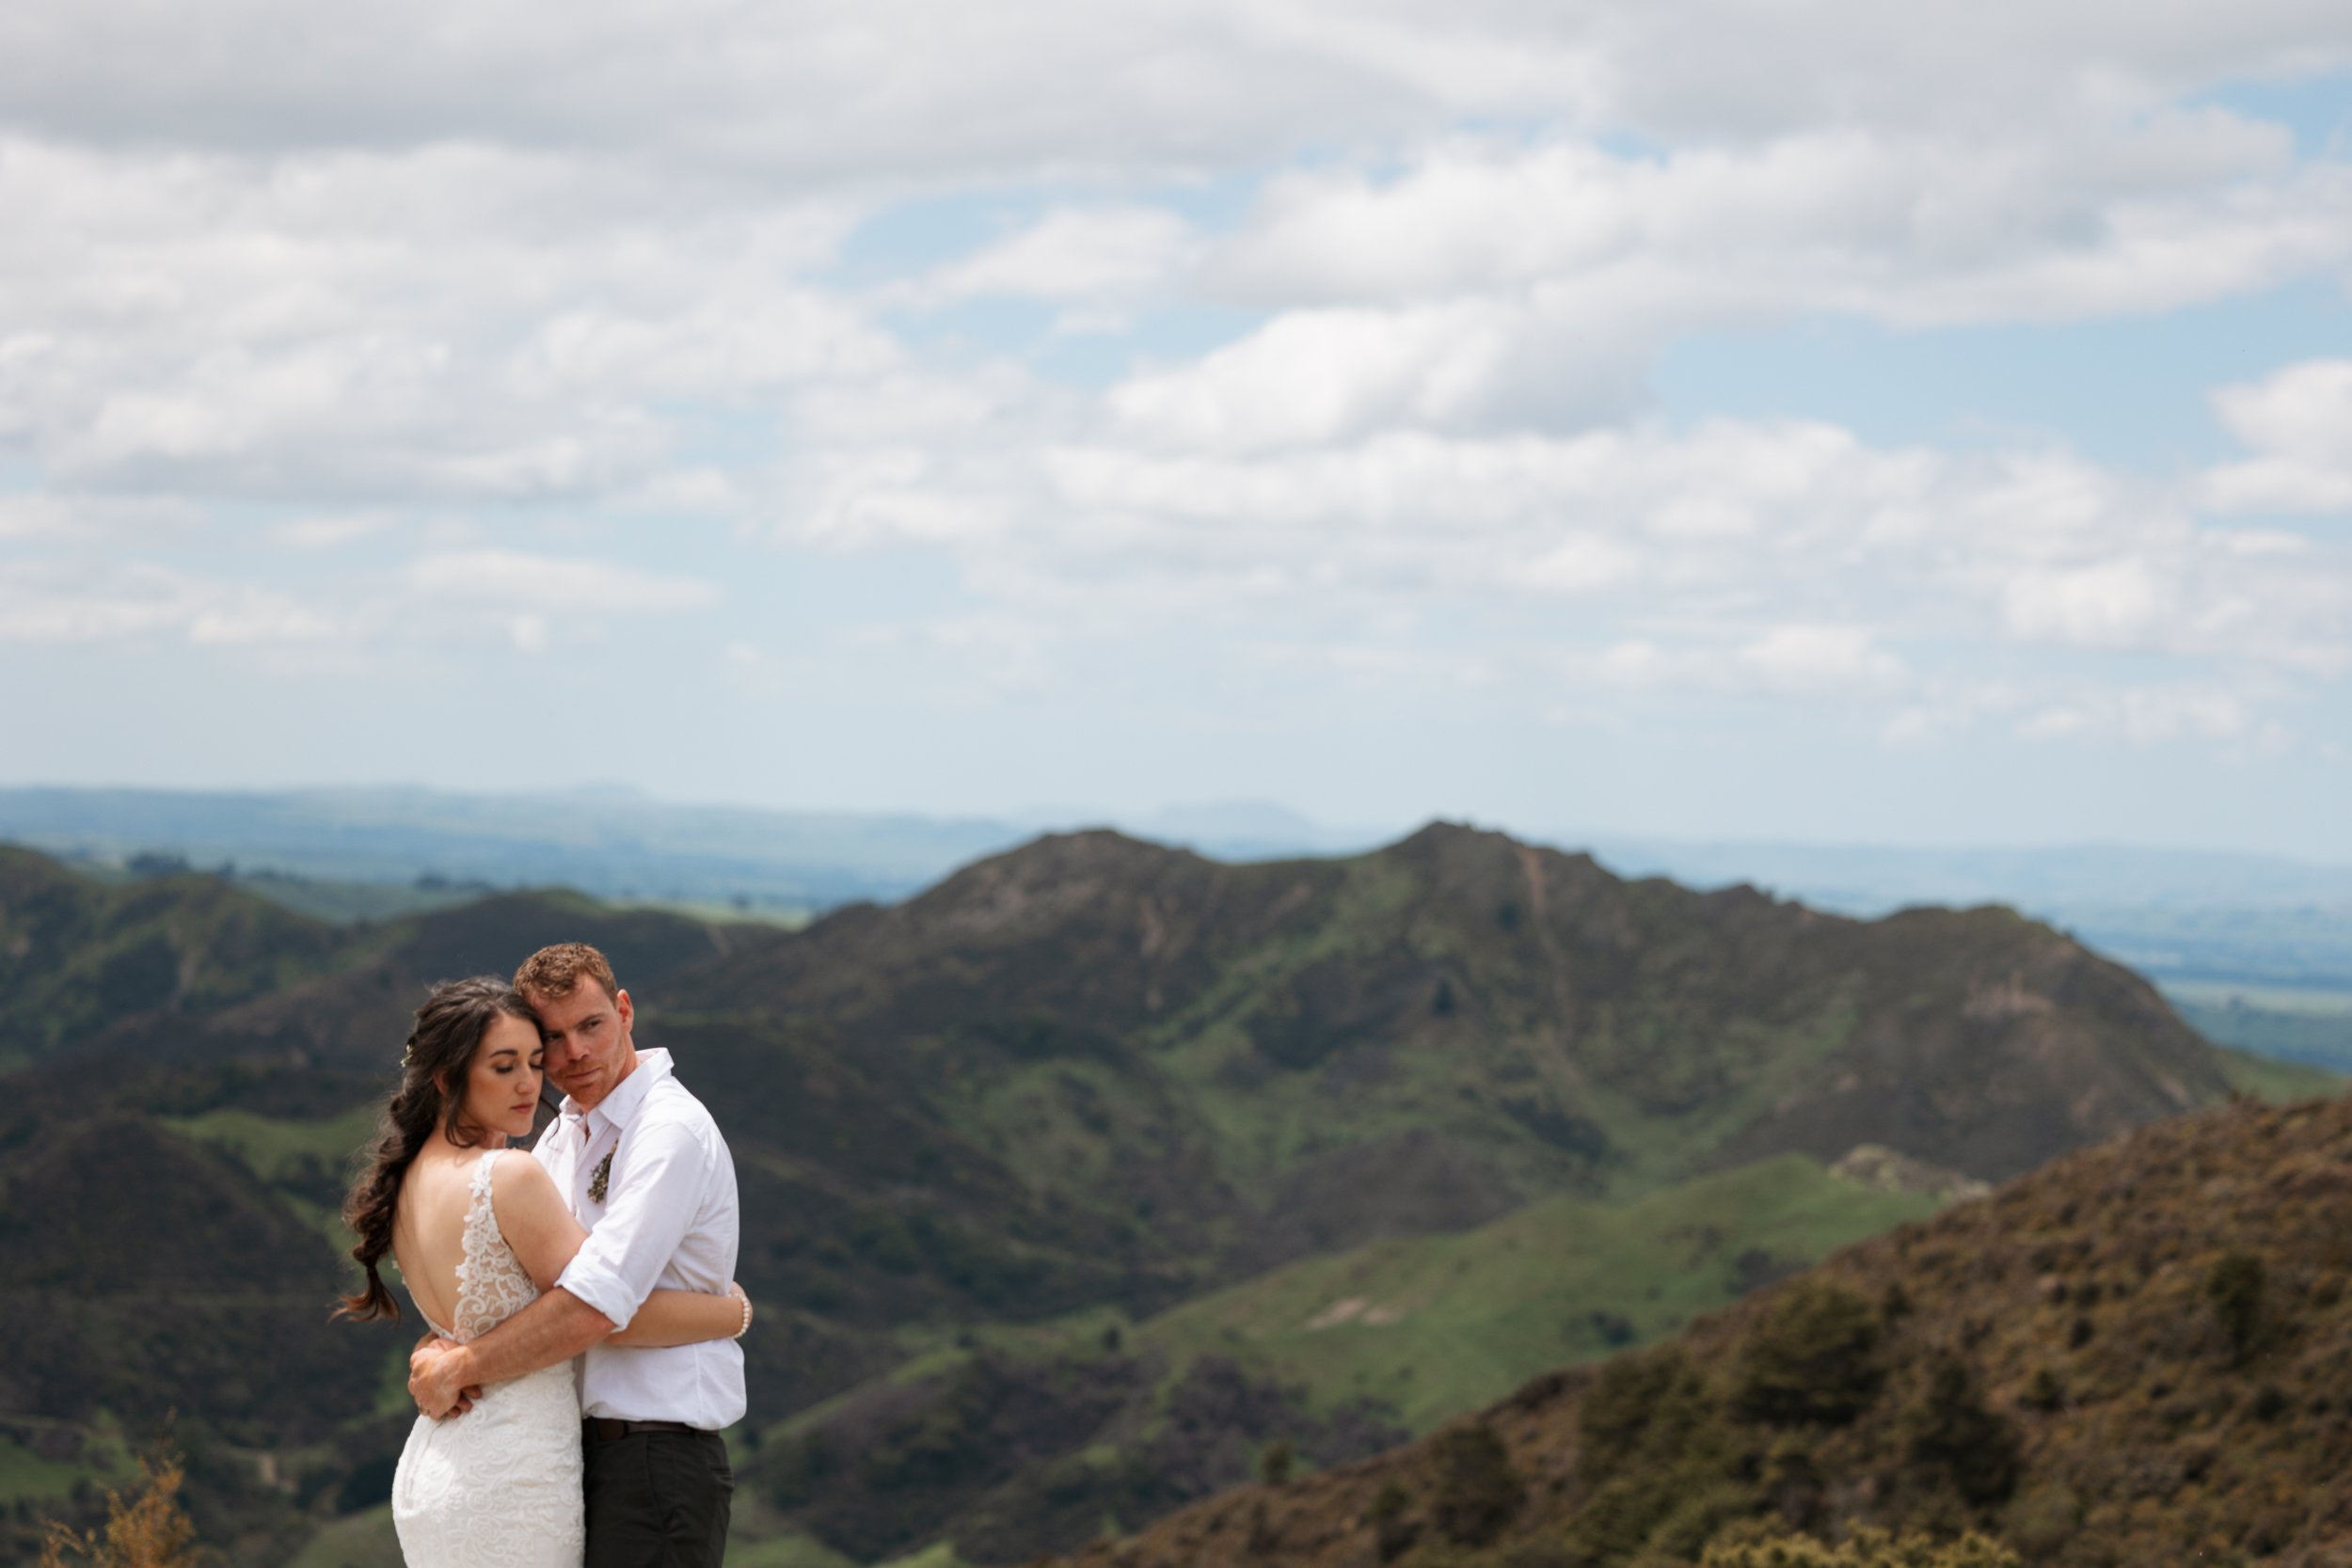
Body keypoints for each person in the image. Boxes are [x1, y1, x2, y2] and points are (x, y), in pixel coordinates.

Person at [338, 976, 750, 1568]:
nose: (534, 1080)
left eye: (535, 1060)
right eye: (507, 1065)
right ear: (448, 1078)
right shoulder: (517, 1169)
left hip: (457, 1462)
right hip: (521, 1468)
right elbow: (592, 1309)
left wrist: (454, 1356)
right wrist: (731, 1311)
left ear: (625, 1011)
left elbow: (525, 1309)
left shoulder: (409, 1181)